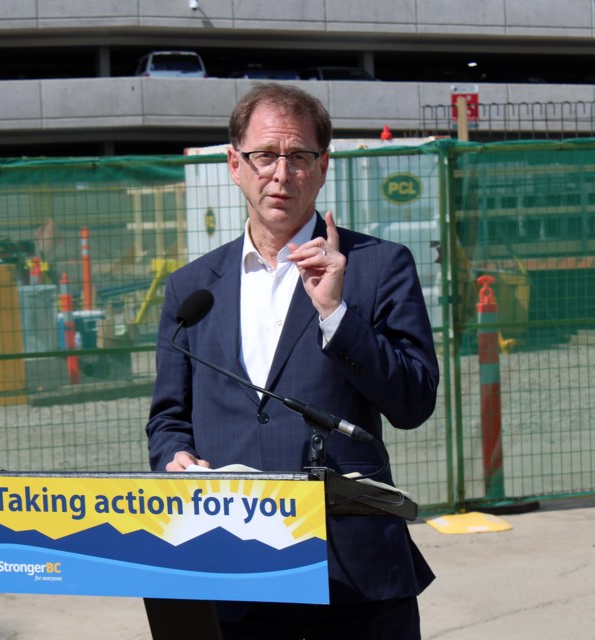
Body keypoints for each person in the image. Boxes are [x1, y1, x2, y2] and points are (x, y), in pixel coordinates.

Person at [145, 82, 439, 640]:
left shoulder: (378, 267)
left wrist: (336, 313)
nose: (280, 174)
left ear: (323, 167)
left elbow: (414, 401)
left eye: (299, 156)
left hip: (351, 573)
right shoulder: (190, 288)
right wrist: (174, 457)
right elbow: (167, 418)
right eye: (264, 156)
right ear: (235, 164)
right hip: (229, 565)